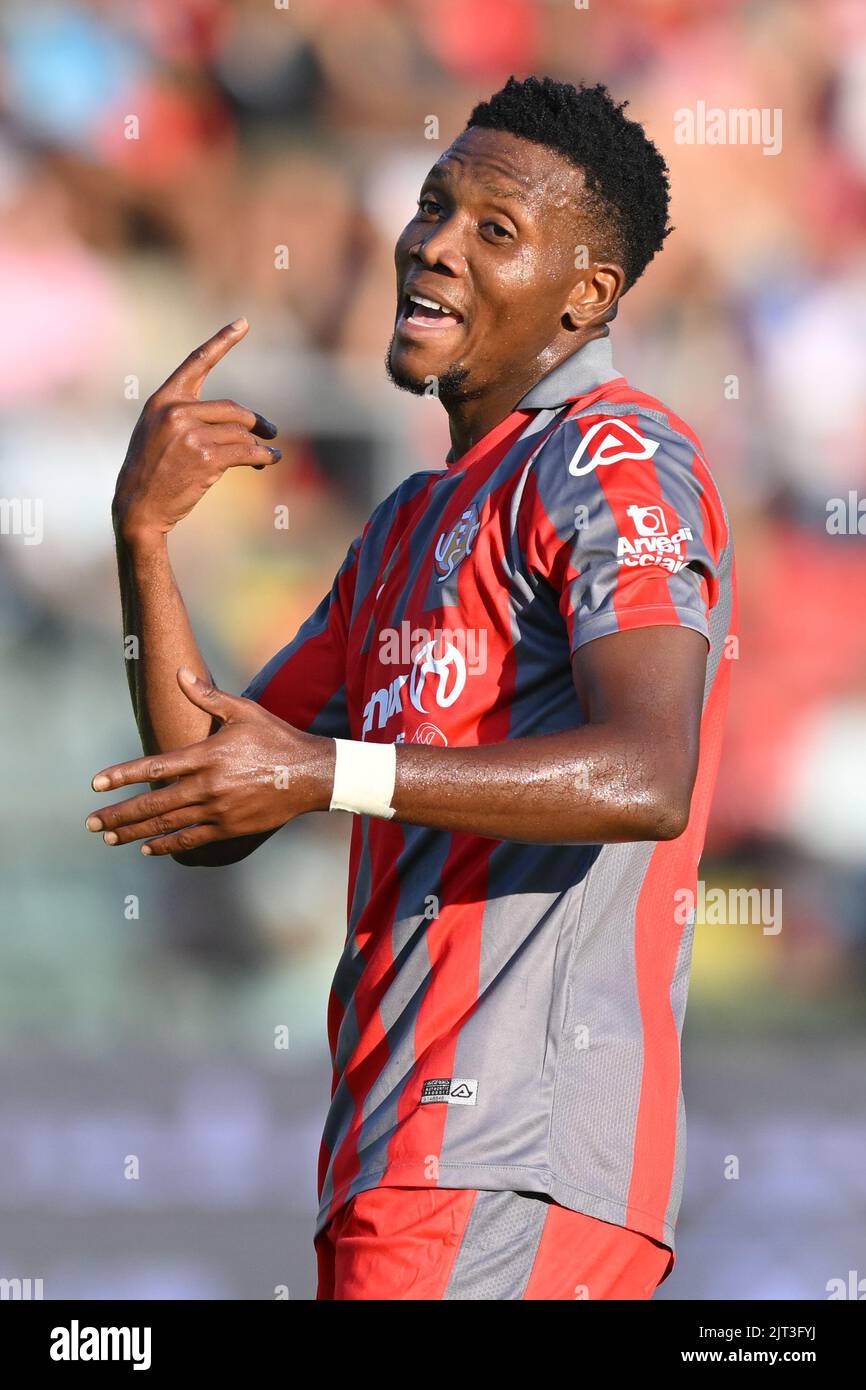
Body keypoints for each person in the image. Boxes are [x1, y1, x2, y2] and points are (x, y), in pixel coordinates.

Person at [89, 77, 735, 1300]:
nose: (433, 244)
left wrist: (330, 771)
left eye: (494, 229)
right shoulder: (408, 525)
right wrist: (146, 539)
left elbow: (649, 771)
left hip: (510, 1157)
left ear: (586, 295)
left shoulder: (613, 454)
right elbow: (209, 802)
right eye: (434, 207)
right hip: (398, 1158)